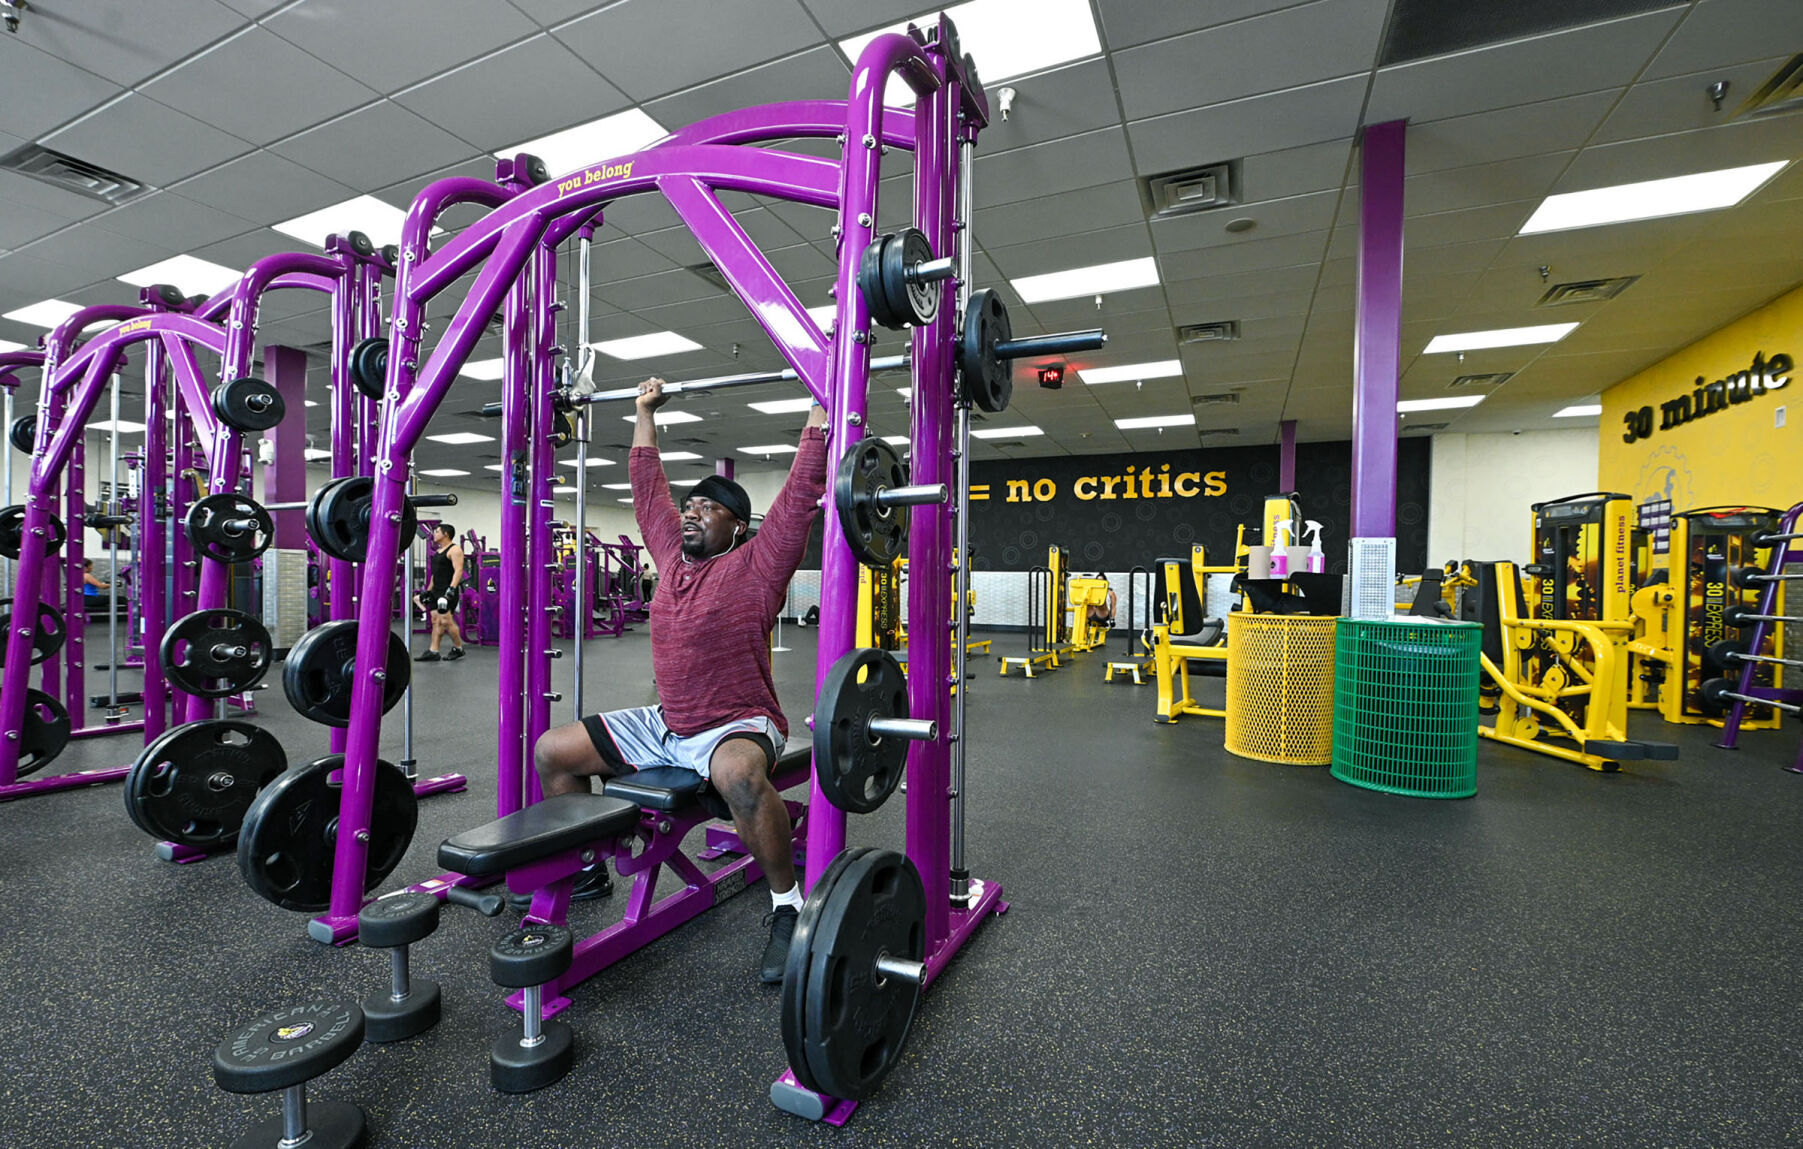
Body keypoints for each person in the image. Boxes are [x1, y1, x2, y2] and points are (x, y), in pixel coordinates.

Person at [532, 376, 827, 982]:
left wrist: (822, 407)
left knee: (740, 778)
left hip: (740, 722)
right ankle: (586, 867)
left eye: (707, 507)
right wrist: (643, 411)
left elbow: (800, 495)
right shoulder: (670, 557)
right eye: (689, 505)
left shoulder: (759, 564)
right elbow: (647, 491)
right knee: (553, 752)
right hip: (667, 725)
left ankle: (786, 906)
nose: (689, 512)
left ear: (737, 526)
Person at [414, 524, 466, 662]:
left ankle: (458, 648)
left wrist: (451, 589)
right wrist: (429, 590)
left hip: (447, 590)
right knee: (436, 620)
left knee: (446, 621)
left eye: (437, 532)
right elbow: (435, 575)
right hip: (436, 590)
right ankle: (433, 651)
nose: (434, 534)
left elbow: (458, 571)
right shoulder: (438, 552)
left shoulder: (454, 550)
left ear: (446, 534)